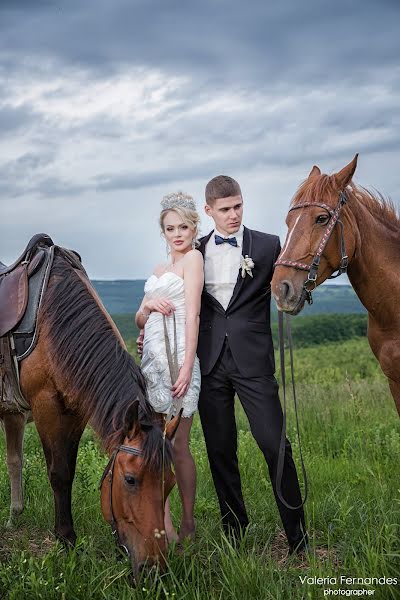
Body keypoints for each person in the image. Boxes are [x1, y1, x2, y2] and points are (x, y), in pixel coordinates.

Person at [196, 175, 308, 553]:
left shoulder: (267, 245)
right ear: (208, 211)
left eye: (238, 206)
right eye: (225, 209)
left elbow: (289, 283)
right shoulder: (195, 251)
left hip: (254, 361)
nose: (233, 215)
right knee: (220, 449)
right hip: (209, 360)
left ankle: (298, 537)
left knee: (274, 444)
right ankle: (234, 531)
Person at [135, 192, 204, 543]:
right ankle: (165, 526)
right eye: (169, 228)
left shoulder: (193, 260)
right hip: (153, 363)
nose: (177, 234)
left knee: (178, 445)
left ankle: (188, 522)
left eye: (183, 227)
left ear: (194, 228)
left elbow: (191, 314)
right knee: (155, 446)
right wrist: (148, 305)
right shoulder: (157, 270)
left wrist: (188, 367)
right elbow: (139, 318)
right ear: (162, 232)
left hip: (180, 359)